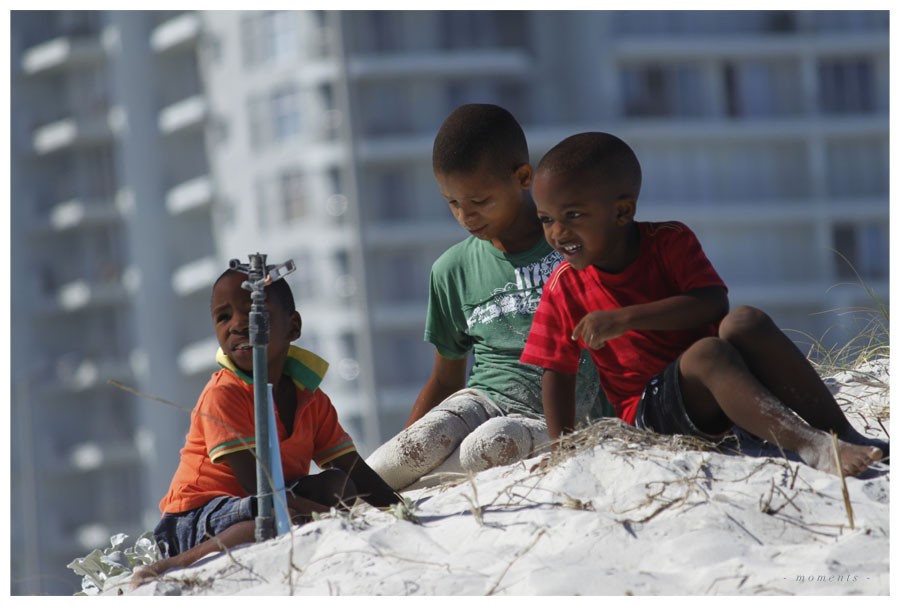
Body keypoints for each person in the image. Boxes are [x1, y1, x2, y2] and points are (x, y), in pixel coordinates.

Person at [519, 131, 888, 478]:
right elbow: (557, 372)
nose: (557, 233)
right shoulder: (563, 287)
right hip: (647, 413)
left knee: (745, 321)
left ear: (622, 211)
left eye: (573, 216)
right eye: (546, 219)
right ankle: (812, 446)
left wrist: (625, 319)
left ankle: (841, 432)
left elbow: (713, 304)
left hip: (719, 386)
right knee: (708, 352)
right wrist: (561, 449)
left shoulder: (670, 241)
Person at [366, 105, 611, 491]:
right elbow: (446, 378)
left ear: (523, 177)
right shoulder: (452, 269)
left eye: (479, 201)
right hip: (485, 399)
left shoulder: (574, 248)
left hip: (562, 416)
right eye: (453, 203)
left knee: (489, 444)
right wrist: (408, 447)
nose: (466, 216)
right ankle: (347, 505)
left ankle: (417, 490)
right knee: (399, 457)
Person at [131, 267, 399, 588]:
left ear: (293, 327)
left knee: (338, 485)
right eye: (223, 317)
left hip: (271, 499)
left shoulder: (310, 398)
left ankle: (298, 517)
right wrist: (320, 516)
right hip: (195, 519)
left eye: (255, 312)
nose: (238, 325)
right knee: (268, 517)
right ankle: (173, 565)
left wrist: (399, 510)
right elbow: (255, 486)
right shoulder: (224, 393)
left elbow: (353, 468)